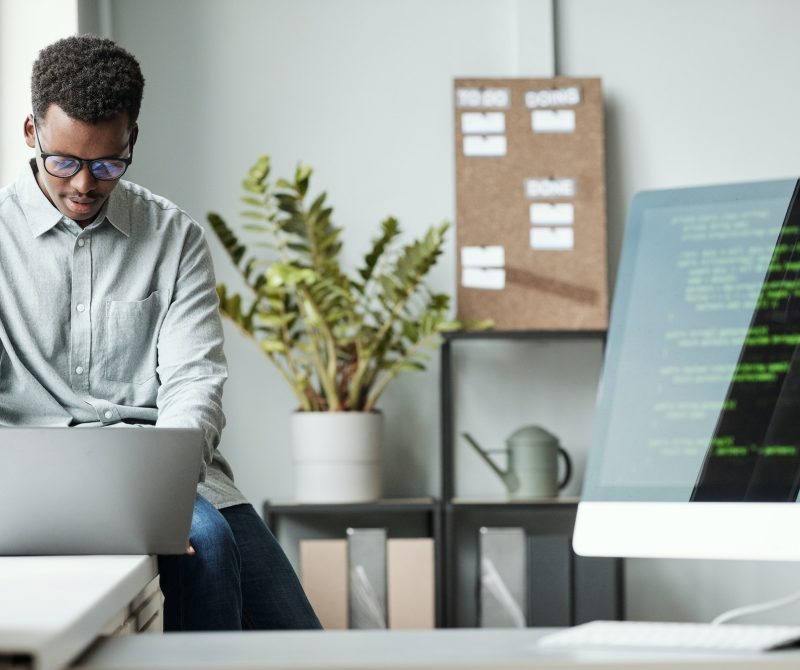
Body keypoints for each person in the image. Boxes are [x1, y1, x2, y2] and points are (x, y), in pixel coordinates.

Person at [0, 34, 321, 632]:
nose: (83, 185)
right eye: (63, 160)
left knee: (298, 639)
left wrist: (161, 499)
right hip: (27, 484)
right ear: (30, 133)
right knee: (208, 546)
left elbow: (194, 382)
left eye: (107, 165)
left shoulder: (175, 238)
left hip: (159, 475)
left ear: (132, 141)